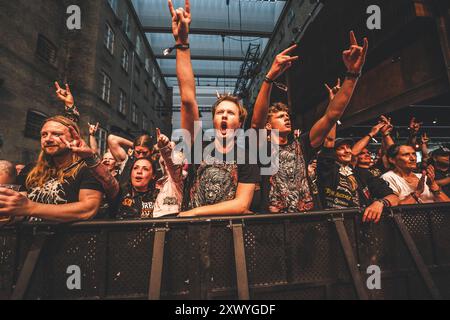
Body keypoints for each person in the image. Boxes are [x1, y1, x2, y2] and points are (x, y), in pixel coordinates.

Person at [251, 31, 369, 213]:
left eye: (287, 115)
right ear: (268, 126)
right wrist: (269, 78)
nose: (287, 118)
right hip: (272, 223)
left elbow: (331, 116)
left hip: (307, 221)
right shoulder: (261, 147)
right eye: (280, 116)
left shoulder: (302, 144)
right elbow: (256, 123)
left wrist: (352, 74)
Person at [169, 0, 260, 217]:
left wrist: (195, 212)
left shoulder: (247, 158)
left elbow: (241, 204)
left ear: (239, 122)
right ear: (214, 120)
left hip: (229, 235)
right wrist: (182, 43)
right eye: (220, 112)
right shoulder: (199, 147)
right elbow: (188, 100)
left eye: (230, 112)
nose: (225, 116)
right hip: (193, 234)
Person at [0, 116, 110, 222]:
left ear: (73, 138)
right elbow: (19, 208)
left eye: (56, 134)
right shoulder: (30, 169)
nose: (48, 139)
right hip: (29, 238)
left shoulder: (87, 169)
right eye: (44, 135)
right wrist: (9, 215)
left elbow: (88, 210)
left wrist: (31, 208)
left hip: (69, 238)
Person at [317, 122, 399, 223]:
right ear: (332, 154)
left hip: (362, 225)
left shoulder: (362, 174)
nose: (347, 151)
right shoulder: (328, 170)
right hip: (335, 226)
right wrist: (333, 118)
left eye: (348, 147)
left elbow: (394, 197)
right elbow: (329, 140)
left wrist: (380, 203)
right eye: (341, 148)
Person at [381, 144, 450, 204]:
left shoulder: (423, 177)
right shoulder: (388, 178)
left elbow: (446, 204)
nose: (413, 158)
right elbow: (396, 209)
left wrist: (433, 186)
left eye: (414, 154)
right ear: (392, 160)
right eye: (406, 155)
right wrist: (417, 192)